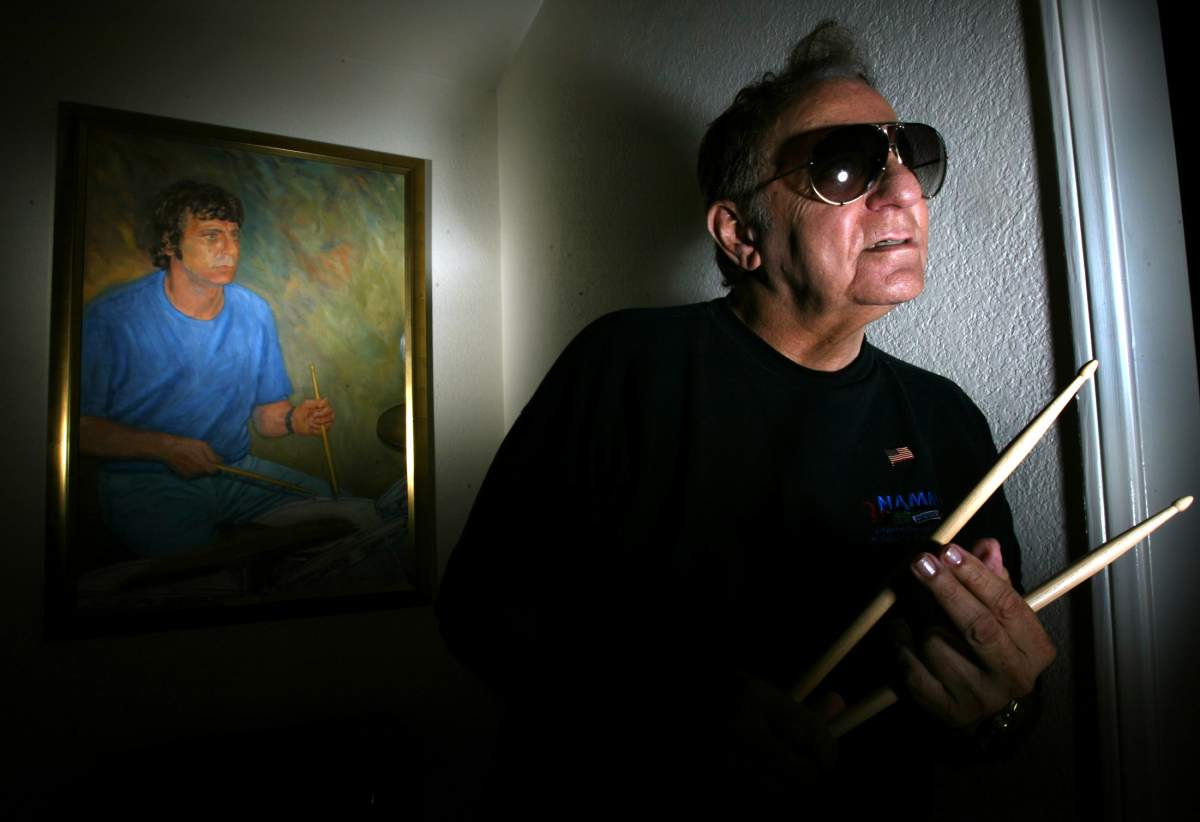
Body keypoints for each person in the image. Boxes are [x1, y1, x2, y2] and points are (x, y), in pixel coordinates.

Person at [436, 21, 1056, 817]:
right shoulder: (626, 366)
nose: (904, 191)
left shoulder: (945, 419)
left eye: (909, 156)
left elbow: (990, 702)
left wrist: (1000, 705)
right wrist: (674, 714)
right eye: (845, 165)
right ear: (740, 233)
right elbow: (478, 610)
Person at [81, 180, 336, 557]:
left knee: (351, 518)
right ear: (170, 243)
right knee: (211, 584)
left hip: (235, 473)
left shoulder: (254, 311)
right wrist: (165, 447)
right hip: (145, 485)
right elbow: (80, 429)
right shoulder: (114, 317)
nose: (229, 250)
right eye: (212, 236)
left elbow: (267, 417)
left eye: (234, 236)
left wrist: (295, 420)